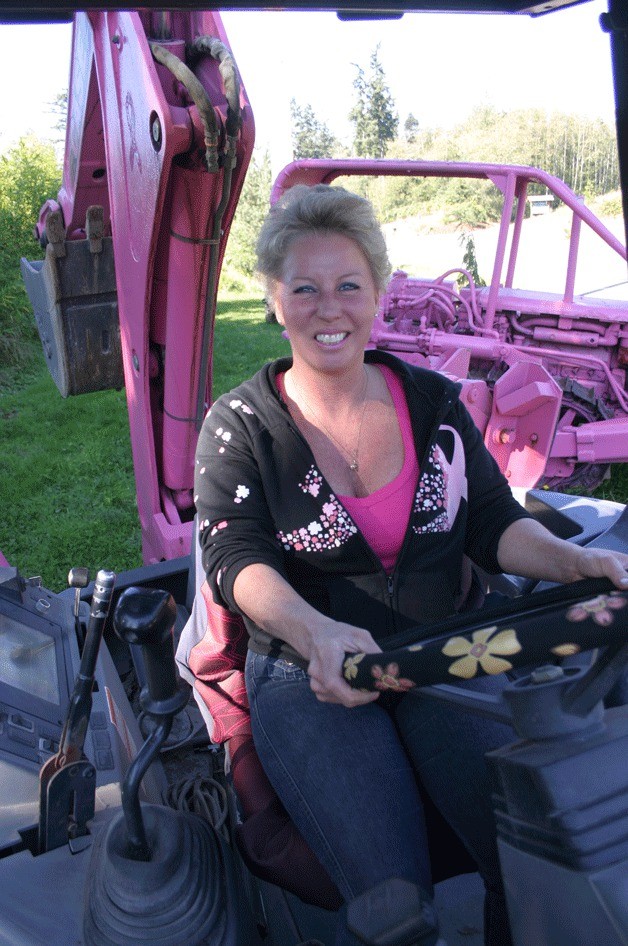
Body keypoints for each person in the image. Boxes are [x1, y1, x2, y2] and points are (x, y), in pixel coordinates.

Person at [192, 183, 628, 945]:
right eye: (305, 288)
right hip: (310, 672)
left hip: (447, 650)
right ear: (274, 299)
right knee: (394, 903)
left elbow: (491, 521)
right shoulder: (240, 425)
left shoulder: (432, 402)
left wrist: (569, 562)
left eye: (348, 285)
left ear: (378, 294)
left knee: (529, 853)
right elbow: (234, 555)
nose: (329, 308)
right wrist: (315, 631)